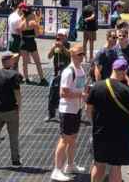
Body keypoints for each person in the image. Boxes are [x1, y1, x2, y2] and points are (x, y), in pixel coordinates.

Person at [87, 58, 129, 182]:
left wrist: (96, 123)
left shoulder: (97, 86)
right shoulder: (127, 90)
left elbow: (88, 110)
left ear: (113, 69)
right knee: (115, 167)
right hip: (120, 135)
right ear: (124, 72)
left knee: (98, 164)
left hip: (100, 133)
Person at [51, 45, 87, 181]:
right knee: (64, 139)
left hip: (76, 109)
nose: (82, 56)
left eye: (83, 54)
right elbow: (63, 93)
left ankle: (70, 165)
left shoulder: (81, 69)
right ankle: (57, 170)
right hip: (67, 110)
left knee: (73, 138)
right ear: (72, 55)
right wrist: (80, 95)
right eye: (79, 54)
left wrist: (82, 97)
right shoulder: (68, 72)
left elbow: (79, 88)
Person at [47, 28, 72, 122]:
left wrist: (62, 48)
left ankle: (67, 113)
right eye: (58, 35)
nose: (59, 37)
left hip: (66, 73)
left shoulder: (68, 45)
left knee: (66, 94)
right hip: (56, 72)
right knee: (51, 94)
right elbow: (49, 56)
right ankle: (51, 114)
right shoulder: (55, 44)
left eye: (62, 35)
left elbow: (70, 55)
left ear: (66, 37)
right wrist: (53, 48)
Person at [18, 8, 47, 84]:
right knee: (37, 62)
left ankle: (26, 79)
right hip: (31, 42)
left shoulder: (21, 24)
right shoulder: (33, 23)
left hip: (24, 43)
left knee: (24, 63)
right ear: (30, 14)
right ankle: (42, 79)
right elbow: (37, 34)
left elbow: (20, 35)